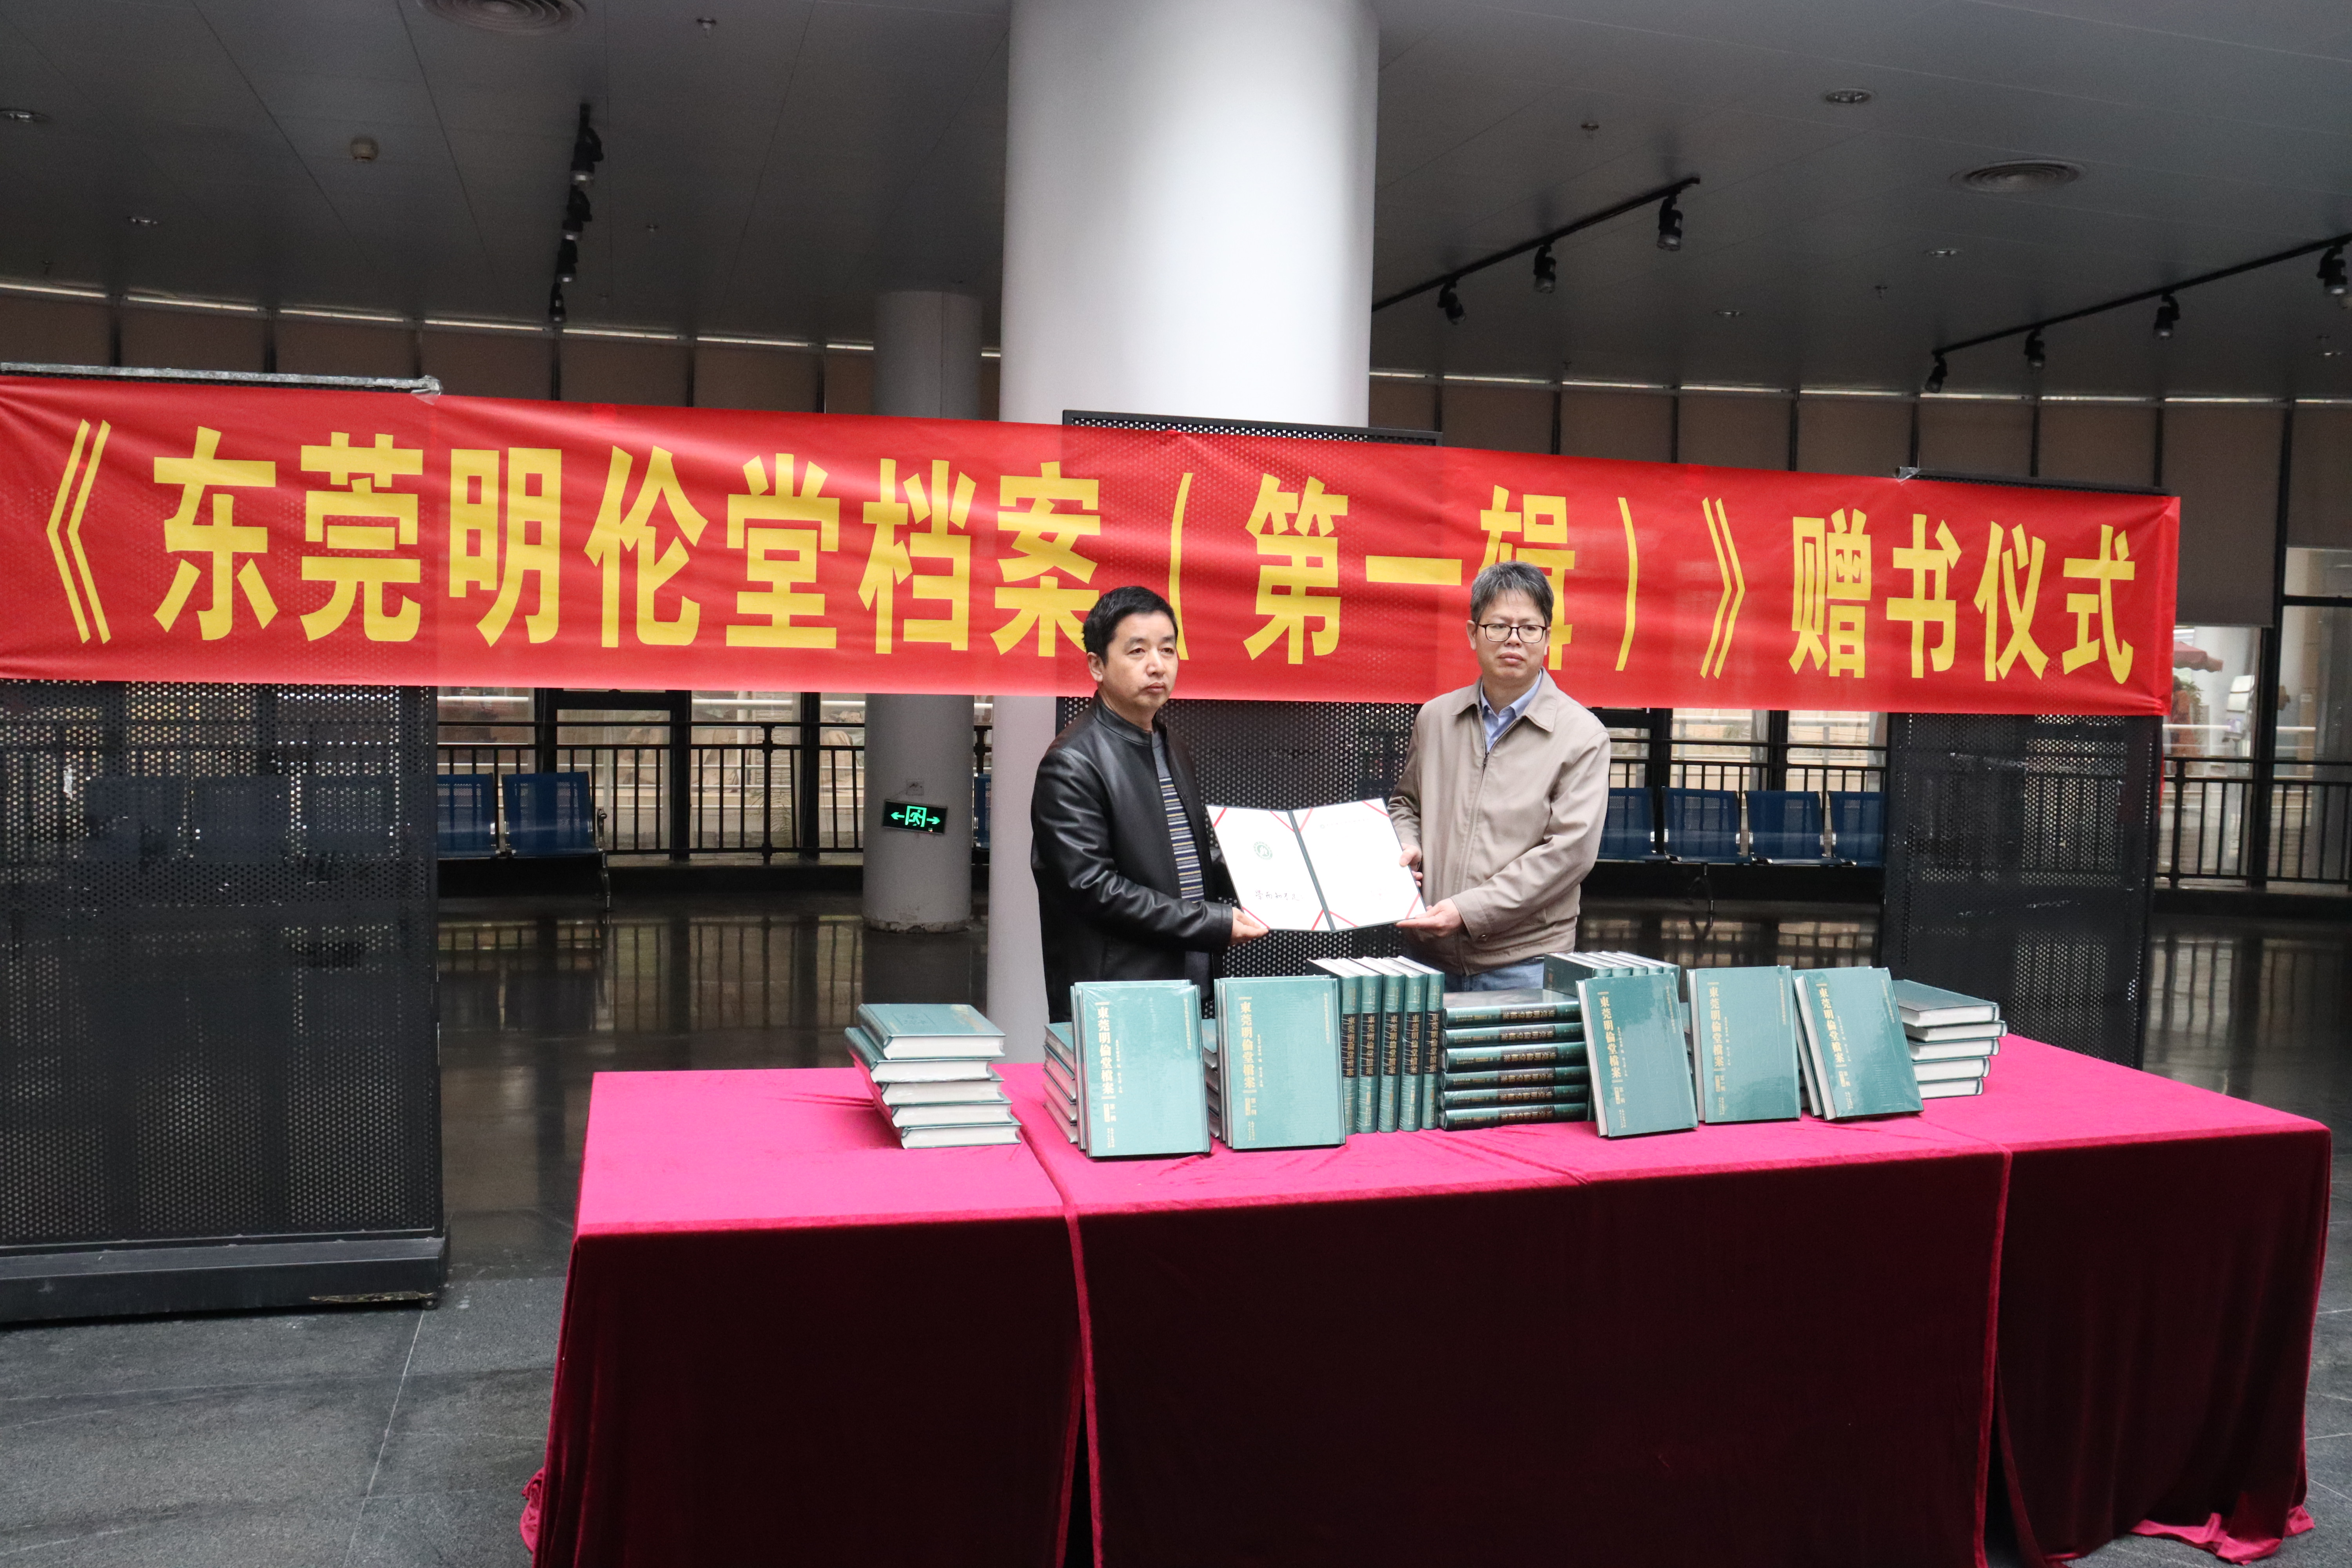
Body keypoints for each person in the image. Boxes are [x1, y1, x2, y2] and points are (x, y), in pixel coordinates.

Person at [1031, 585, 1269, 1022]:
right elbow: (1094, 888)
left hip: (1187, 986)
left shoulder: (1170, 743)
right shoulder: (1071, 762)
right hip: (1118, 999)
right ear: (1097, 665)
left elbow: (1184, 856)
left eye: (1167, 650)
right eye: (1137, 651)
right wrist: (1212, 923)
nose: (1157, 665)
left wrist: (1265, 877)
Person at [1390, 559, 1611, 991]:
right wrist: (1407, 844)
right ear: (1473, 633)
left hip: (1524, 961)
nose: (1514, 639)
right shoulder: (1435, 718)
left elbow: (1569, 853)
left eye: (1529, 628)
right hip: (1428, 954)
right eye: (1498, 626)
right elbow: (1406, 804)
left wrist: (1469, 911)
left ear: (1547, 638)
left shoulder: (1582, 735)